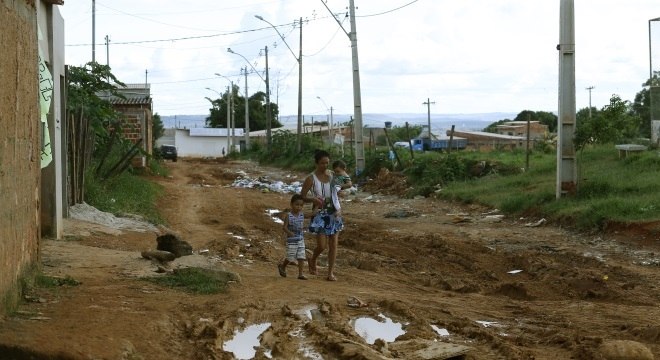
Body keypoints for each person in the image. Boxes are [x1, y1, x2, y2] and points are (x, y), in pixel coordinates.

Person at [301, 150, 343, 281]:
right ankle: (313, 258)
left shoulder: (332, 175)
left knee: (334, 244)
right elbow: (301, 196)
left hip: (334, 212)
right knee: (322, 245)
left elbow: (342, 187)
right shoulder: (310, 178)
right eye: (322, 163)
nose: (325, 166)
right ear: (316, 163)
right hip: (320, 213)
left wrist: (341, 191)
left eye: (327, 163)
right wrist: (312, 200)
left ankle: (330, 273)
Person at [278, 194, 308, 280]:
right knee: (291, 256)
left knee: (301, 256)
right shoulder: (289, 216)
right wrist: (289, 232)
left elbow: (312, 214)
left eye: (301, 205)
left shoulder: (302, 215)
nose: (299, 207)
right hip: (291, 240)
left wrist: (317, 205)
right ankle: (282, 266)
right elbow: (284, 227)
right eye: (297, 204)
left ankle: (300, 274)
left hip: (300, 239)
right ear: (291, 204)